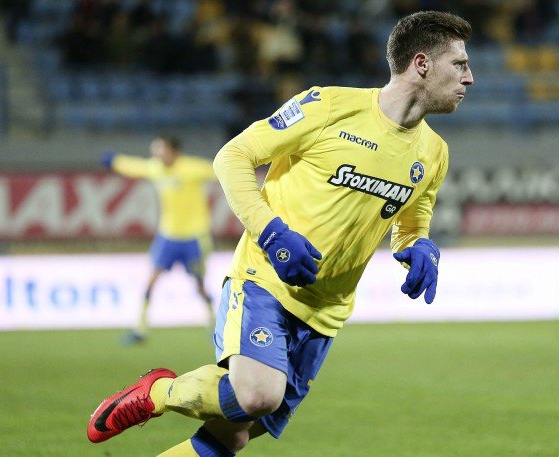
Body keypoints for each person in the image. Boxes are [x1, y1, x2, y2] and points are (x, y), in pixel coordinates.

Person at [87, 10, 474, 455]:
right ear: (422, 64)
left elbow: (411, 221)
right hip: (266, 280)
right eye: (460, 64)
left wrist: (420, 245)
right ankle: (158, 392)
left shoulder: (434, 152)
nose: (469, 78)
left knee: (233, 434)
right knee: (257, 395)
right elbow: (232, 157)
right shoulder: (328, 106)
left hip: (326, 310)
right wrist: (271, 233)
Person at [101, 135, 217, 344]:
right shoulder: (156, 168)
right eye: (155, 150)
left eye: (160, 149)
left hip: (194, 237)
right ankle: (141, 330)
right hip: (168, 236)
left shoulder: (192, 168)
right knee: (151, 281)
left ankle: (214, 325)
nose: (156, 154)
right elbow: (135, 166)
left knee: (200, 285)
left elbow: (219, 169)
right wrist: (115, 161)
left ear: (173, 151)